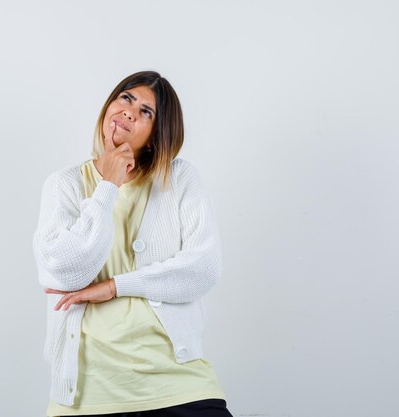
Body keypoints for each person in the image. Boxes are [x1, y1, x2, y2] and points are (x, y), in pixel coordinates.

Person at [32, 70, 233, 417]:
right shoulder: (64, 184)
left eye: (146, 112)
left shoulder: (179, 178)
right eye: (126, 98)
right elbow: (62, 272)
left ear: (156, 136)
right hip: (86, 396)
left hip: (177, 388)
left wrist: (114, 287)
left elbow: (204, 268)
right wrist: (108, 185)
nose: (129, 112)